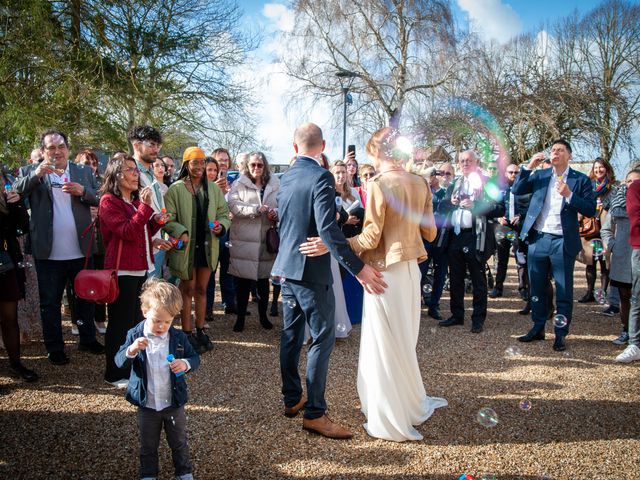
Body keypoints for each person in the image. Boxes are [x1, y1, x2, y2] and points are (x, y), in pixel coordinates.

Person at [274, 122, 386, 440]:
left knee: (292, 336)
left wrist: (333, 224)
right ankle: (316, 414)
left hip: (287, 269)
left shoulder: (287, 177)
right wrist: (358, 269)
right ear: (322, 146)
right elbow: (324, 228)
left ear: (295, 148)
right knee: (322, 338)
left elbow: (296, 221)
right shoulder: (321, 176)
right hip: (311, 272)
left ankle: (292, 397)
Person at [341, 127, 447, 441]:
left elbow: (371, 237)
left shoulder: (378, 185)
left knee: (384, 344)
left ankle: (389, 415)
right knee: (403, 341)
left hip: (383, 271)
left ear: (377, 152)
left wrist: (342, 244)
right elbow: (431, 234)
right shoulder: (420, 183)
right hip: (411, 271)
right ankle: (408, 404)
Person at [14, 129, 104, 365]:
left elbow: (100, 198)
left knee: (85, 298)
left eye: (61, 146)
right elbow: (16, 191)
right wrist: (36, 174)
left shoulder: (83, 171)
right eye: (51, 148)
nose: (57, 151)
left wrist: (83, 192)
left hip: (81, 249)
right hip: (48, 252)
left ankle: (87, 339)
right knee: (50, 303)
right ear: (43, 151)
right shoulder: (31, 172)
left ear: (68, 148)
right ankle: (55, 348)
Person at [512, 140, 596, 351]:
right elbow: (517, 189)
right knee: (537, 287)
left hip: (563, 241)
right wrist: (529, 167)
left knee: (564, 289)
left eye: (560, 150)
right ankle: (538, 327)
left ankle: (560, 333)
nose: (555, 153)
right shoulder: (540, 176)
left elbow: (590, 209)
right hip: (538, 238)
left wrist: (569, 194)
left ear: (569, 155)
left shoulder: (581, 180)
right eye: (553, 150)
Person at [115, 278, 199, 480]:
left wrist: (185, 364)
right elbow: (118, 362)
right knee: (148, 444)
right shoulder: (134, 334)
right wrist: (132, 350)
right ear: (145, 312)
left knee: (179, 441)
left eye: (168, 321)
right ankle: (148, 474)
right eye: (156, 320)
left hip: (173, 402)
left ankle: (184, 472)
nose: (162, 326)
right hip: (148, 403)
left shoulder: (177, 337)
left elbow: (194, 358)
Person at [99, 155, 164, 387]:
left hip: (141, 268)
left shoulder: (134, 202)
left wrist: (157, 221)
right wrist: (146, 208)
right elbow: (126, 231)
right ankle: (114, 373)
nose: (136, 174)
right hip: (123, 271)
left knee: (137, 323)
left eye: (136, 170)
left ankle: (132, 367)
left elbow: (142, 231)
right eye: (130, 170)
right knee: (119, 324)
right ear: (117, 175)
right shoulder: (108, 202)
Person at [163, 147, 230, 354]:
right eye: (195, 163)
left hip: (208, 245)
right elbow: (168, 219)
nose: (199, 167)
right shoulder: (176, 189)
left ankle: (200, 330)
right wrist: (179, 231)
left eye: (202, 162)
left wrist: (221, 226)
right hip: (187, 247)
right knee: (187, 289)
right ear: (186, 164)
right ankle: (186, 333)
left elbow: (224, 214)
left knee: (202, 289)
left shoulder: (213, 189)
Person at [437, 151, 504, 333]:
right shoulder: (455, 183)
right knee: (456, 277)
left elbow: (500, 208)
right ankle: (457, 315)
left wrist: (477, 207)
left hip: (476, 236)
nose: (465, 163)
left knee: (477, 278)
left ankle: (478, 319)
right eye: (462, 161)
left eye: (469, 160)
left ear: (476, 162)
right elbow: (441, 207)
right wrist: (451, 203)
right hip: (455, 236)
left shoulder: (488, 183)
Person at [227, 151, 280, 332]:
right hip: (244, 239)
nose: (256, 168)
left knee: (264, 282)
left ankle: (263, 317)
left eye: (260, 165)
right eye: (253, 165)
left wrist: (276, 213)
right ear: (248, 166)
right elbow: (234, 205)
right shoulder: (239, 184)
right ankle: (240, 318)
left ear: (265, 166)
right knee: (242, 282)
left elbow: (283, 205)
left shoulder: (275, 183)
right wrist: (256, 209)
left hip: (266, 238)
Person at [0, 175, 38, 381]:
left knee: (9, 317)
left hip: (5, 264)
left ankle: (15, 364)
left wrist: (16, 205)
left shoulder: (7, 198)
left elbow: (21, 228)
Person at [602, 169, 640, 346]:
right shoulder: (617, 204)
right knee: (625, 296)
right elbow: (605, 229)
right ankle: (626, 330)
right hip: (622, 256)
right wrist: (613, 245)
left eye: (635, 181)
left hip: (638, 255)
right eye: (629, 181)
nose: (631, 184)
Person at [74, 149, 107, 334]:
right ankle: (77, 321)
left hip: (100, 240)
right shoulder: (73, 183)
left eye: (94, 164)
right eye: (87, 163)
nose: (91, 167)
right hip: (81, 240)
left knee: (101, 279)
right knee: (81, 281)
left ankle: (100, 319)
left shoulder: (102, 184)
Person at [129, 126, 168, 278]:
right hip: (140, 246)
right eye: (151, 144)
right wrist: (150, 240)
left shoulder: (150, 174)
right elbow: (130, 213)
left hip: (156, 242)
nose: (156, 149)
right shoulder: (130, 173)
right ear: (137, 145)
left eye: (158, 145)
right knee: (143, 296)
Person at [577, 157, 616, 305]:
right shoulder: (588, 186)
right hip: (590, 229)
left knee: (605, 262)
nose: (598, 170)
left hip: (606, 228)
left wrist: (603, 205)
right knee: (590, 261)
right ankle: (589, 292)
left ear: (607, 169)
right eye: (596, 168)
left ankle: (603, 293)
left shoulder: (613, 187)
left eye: (601, 167)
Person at [490, 163, 528, 299]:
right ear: (505, 174)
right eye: (510, 172)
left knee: (521, 257)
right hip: (503, 226)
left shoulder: (524, 188)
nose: (513, 175)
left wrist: (521, 216)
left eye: (516, 172)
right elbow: (491, 207)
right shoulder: (499, 189)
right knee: (501, 257)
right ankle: (498, 287)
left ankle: (523, 288)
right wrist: (498, 217)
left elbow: (529, 206)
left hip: (518, 226)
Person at [616, 172, 640, 363]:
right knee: (635, 297)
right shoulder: (635, 189)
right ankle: (635, 342)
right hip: (635, 250)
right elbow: (636, 217)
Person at [422, 166, 448, 320]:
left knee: (440, 273)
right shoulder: (422, 192)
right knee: (420, 273)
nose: (433, 177)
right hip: (424, 239)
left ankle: (434, 305)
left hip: (442, 238)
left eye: (435, 174)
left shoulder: (446, 193)